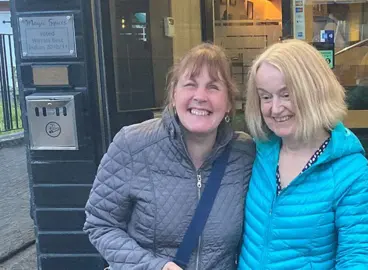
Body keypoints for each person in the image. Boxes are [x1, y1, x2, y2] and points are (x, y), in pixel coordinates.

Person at [83, 43, 255, 270]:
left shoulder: (245, 154)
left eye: (213, 87)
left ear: (229, 103)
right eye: (190, 85)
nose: (200, 97)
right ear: (174, 95)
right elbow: (100, 223)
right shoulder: (133, 145)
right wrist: (153, 267)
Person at [238, 39, 368, 269]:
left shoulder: (350, 171)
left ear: (314, 91)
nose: (275, 108)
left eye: (286, 94)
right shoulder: (258, 150)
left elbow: (355, 257)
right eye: (265, 96)